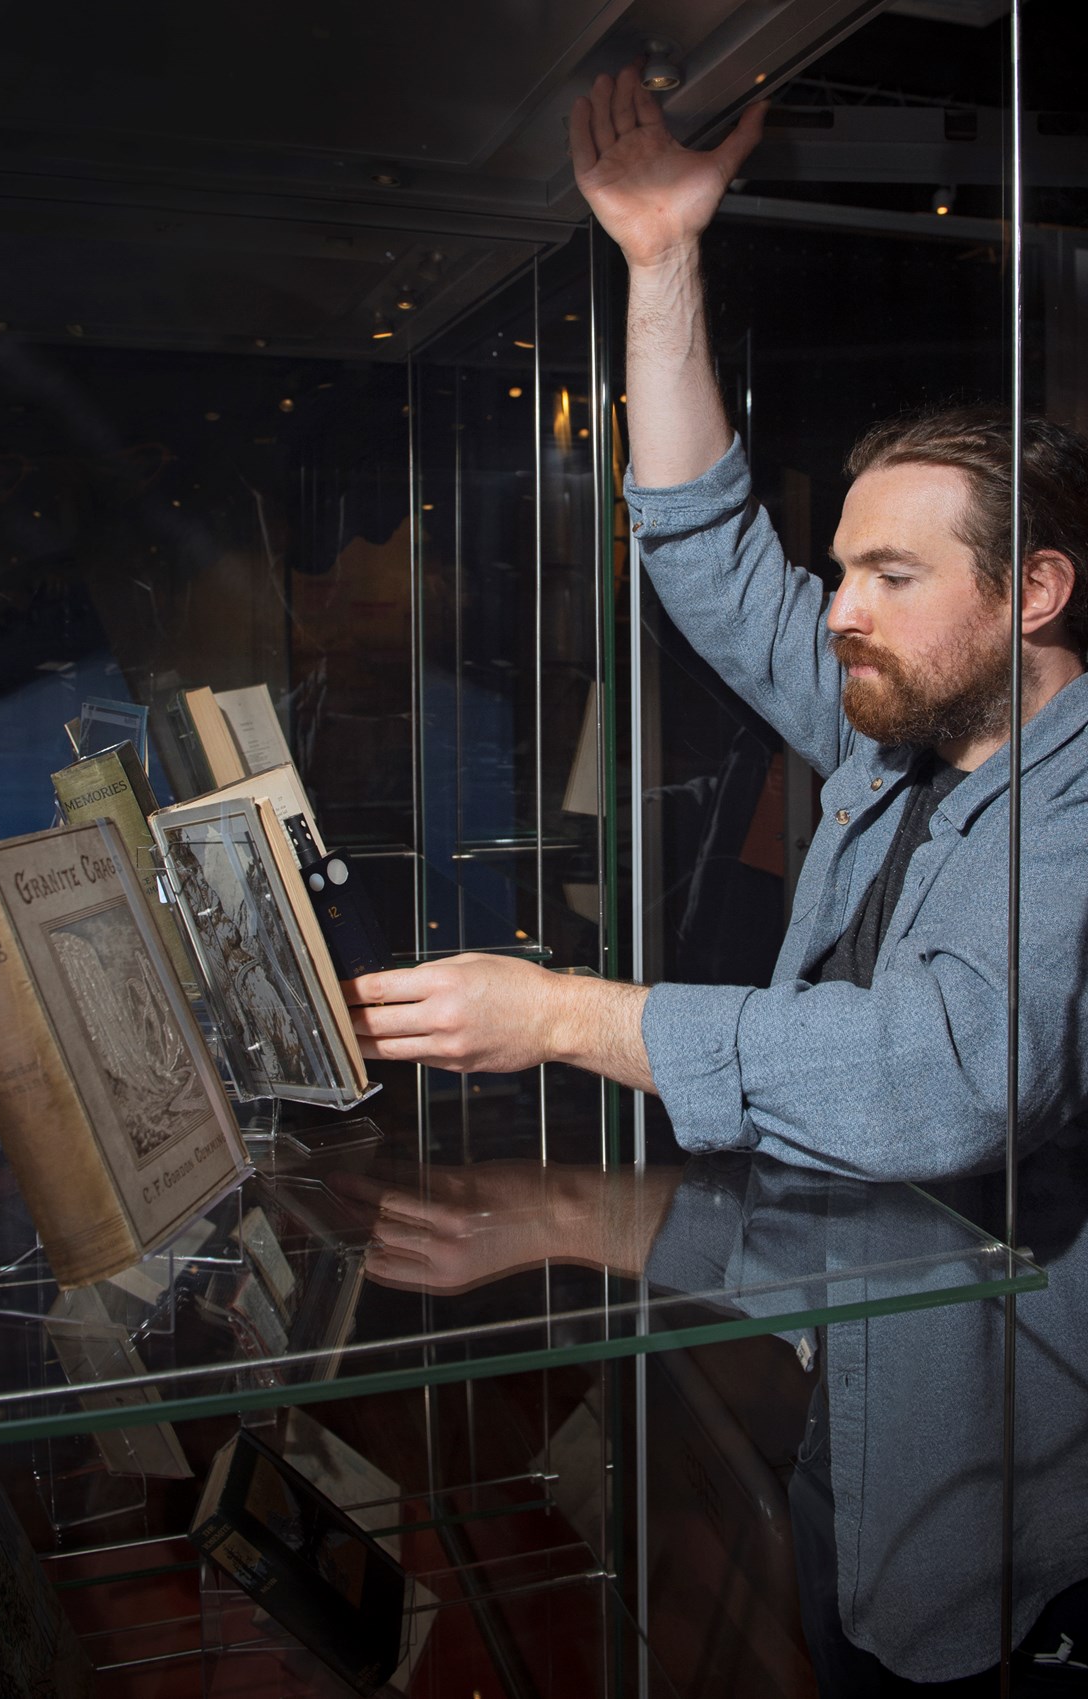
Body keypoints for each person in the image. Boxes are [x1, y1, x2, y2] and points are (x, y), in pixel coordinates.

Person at [346, 65, 1088, 1689]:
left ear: (1034, 590)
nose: (840, 613)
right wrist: (661, 260)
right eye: (844, 571)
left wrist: (564, 1017)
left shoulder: (1079, 805)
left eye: (893, 576)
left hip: (1011, 1525)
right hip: (854, 1418)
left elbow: (948, 1084)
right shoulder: (901, 726)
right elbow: (703, 546)